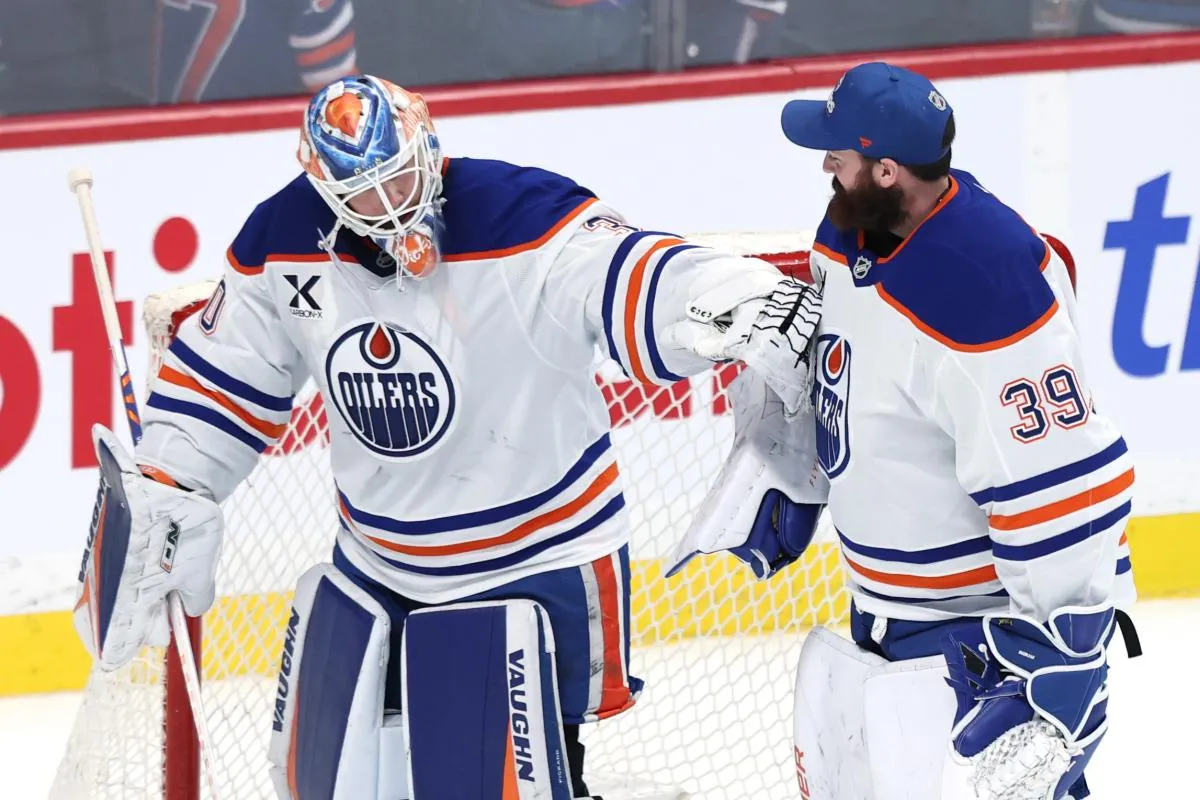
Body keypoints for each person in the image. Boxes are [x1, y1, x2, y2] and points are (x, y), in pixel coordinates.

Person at [71, 74, 818, 799]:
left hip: (532, 556)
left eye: (399, 181)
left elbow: (624, 269)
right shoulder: (284, 237)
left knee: (498, 781)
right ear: (323, 188)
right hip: (376, 558)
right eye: (363, 195)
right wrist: (172, 476)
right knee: (333, 779)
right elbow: (229, 364)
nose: (390, 209)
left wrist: (725, 298)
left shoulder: (519, 213)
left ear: (428, 143)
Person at [671, 62, 1138, 800]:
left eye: (840, 153)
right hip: (883, 618)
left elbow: (1062, 478)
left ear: (887, 171)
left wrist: (1069, 649)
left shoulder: (983, 285)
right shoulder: (849, 228)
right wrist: (801, 461)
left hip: (981, 643)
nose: (825, 163)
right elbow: (854, 371)